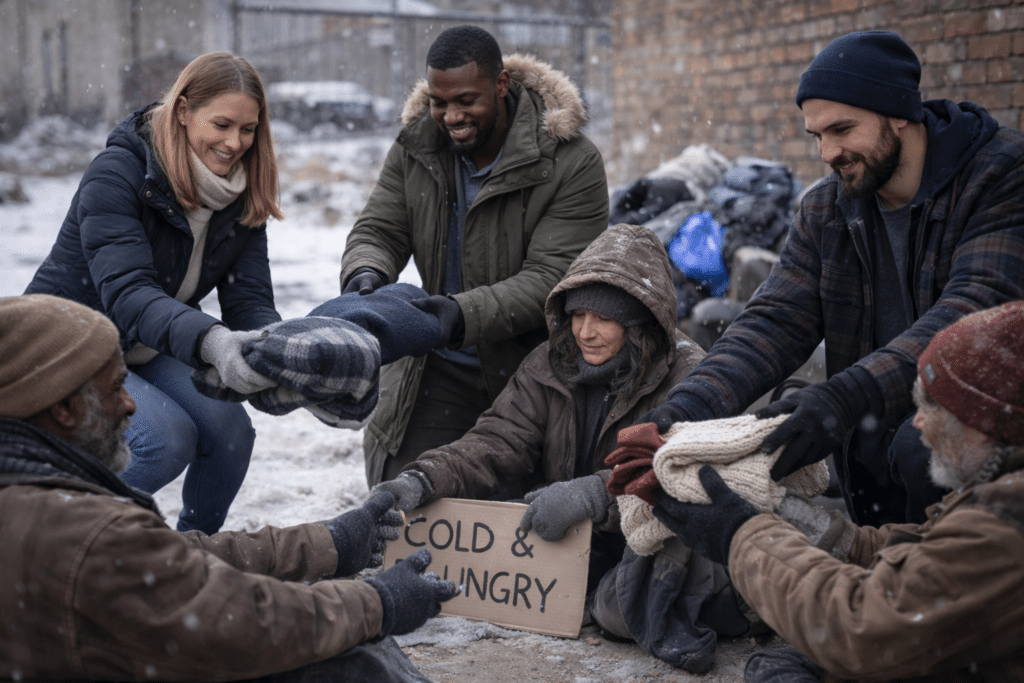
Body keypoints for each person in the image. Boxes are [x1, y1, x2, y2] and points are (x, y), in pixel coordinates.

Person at [641, 30, 1024, 526]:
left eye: (842, 130)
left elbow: (970, 312)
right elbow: (775, 321)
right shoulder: (828, 206)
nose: (827, 152)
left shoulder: (1000, 175)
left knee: (916, 449)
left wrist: (841, 399)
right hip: (873, 435)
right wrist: (685, 410)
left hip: (981, 435)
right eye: (817, 135)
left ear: (899, 114)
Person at [0, 294, 458, 683]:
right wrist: (378, 603)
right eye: (116, 387)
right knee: (346, 663)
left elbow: (172, 560)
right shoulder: (79, 533)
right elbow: (236, 621)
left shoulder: (29, 494)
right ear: (63, 407)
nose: (130, 404)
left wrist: (330, 542)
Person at [376, 225, 762, 673]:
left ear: (639, 323)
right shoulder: (550, 362)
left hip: (657, 536)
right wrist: (423, 477)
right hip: (575, 545)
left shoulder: (689, 375)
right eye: (577, 315)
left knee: (620, 611)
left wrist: (596, 495)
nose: (585, 331)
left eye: (603, 319)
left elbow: (683, 472)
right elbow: (498, 440)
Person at [650, 300, 1024, 682]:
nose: (918, 423)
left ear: (986, 422)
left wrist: (739, 535)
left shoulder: (1006, 527)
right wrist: (781, 510)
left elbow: (862, 629)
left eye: (935, 407)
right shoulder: (999, 490)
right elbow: (910, 555)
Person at [25, 52, 287, 534]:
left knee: (230, 431)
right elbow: (128, 293)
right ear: (183, 110)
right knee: (165, 439)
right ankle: (61, 541)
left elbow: (247, 297)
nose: (235, 143)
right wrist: (214, 343)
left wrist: (278, 352)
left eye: (248, 129)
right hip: (71, 345)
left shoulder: (242, 191)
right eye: (222, 124)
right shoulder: (118, 173)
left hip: (148, 343)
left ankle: (195, 557)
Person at [339, 25, 609, 487]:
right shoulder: (416, 148)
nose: (451, 116)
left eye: (467, 100)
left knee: (539, 519)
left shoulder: (570, 162)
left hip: (536, 367)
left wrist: (458, 315)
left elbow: (551, 277)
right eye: (440, 102)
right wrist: (366, 274)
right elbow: (379, 228)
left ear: (501, 85)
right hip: (439, 364)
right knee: (406, 498)